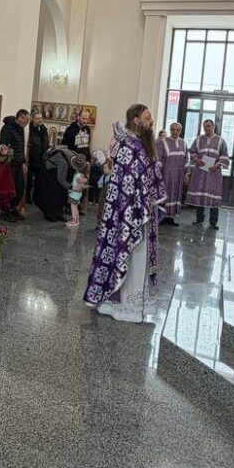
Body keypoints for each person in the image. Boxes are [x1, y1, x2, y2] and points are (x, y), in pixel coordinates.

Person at [83, 104, 166, 322]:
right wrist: (137, 208)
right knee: (130, 255)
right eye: (147, 118)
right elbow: (128, 184)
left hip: (142, 212)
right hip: (130, 213)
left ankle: (134, 303)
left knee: (139, 257)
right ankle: (124, 305)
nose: (151, 121)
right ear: (136, 120)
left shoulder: (141, 144)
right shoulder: (128, 146)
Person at [186, 119, 230, 229]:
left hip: (214, 173)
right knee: (200, 195)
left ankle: (213, 222)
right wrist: (197, 160)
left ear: (213, 126)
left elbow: (225, 155)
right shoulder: (198, 139)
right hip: (200, 172)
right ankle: (199, 219)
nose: (206, 128)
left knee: (213, 196)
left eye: (209, 126)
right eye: (205, 126)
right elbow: (192, 151)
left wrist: (218, 164)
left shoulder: (221, 141)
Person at [0, 109, 30, 223]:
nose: (27, 123)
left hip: (18, 163)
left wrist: (23, 162)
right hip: (10, 164)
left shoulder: (20, 128)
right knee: (9, 189)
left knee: (19, 188)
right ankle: (5, 212)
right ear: (20, 118)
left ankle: (13, 209)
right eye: (26, 120)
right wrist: (7, 160)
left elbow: (21, 146)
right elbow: (3, 146)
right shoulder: (7, 128)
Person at [158, 122, 188, 226]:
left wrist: (186, 174)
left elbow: (186, 160)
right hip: (166, 176)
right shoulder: (163, 142)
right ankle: (162, 218)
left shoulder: (184, 143)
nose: (175, 132)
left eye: (177, 130)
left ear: (180, 131)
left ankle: (171, 218)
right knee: (165, 195)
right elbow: (158, 159)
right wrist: (158, 175)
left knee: (175, 195)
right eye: (173, 129)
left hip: (179, 176)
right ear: (170, 130)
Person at [33, 146, 74, 222]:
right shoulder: (63, 160)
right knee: (52, 191)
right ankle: (50, 214)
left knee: (61, 192)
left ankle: (58, 213)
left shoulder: (70, 159)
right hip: (50, 172)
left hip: (57, 170)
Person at [26, 111, 49, 203]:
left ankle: (37, 197)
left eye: (41, 118)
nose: (40, 120)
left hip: (41, 160)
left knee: (39, 181)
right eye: (38, 118)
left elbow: (46, 143)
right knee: (29, 180)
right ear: (33, 119)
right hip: (32, 160)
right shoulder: (29, 130)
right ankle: (27, 196)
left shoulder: (44, 129)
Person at [67, 155, 90, 228]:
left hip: (74, 194)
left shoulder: (78, 175)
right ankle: (77, 221)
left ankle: (74, 221)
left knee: (73, 208)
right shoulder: (81, 174)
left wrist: (71, 190)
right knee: (76, 208)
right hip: (77, 194)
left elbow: (78, 186)